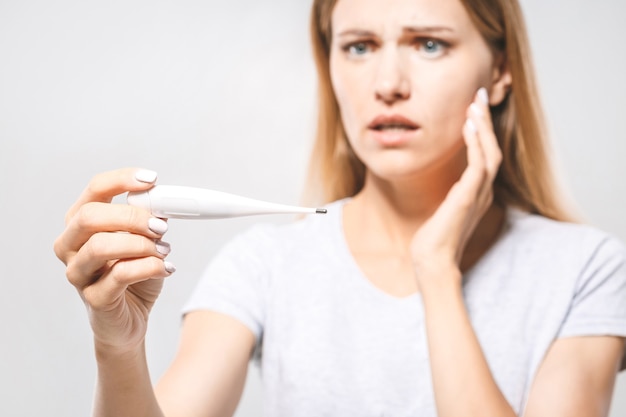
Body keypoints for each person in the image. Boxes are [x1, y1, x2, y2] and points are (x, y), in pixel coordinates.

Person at [53, 0, 626, 416]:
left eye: (429, 44)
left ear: (500, 71)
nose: (388, 83)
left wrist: (436, 271)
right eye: (359, 46)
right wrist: (118, 346)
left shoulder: (587, 271)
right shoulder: (265, 265)